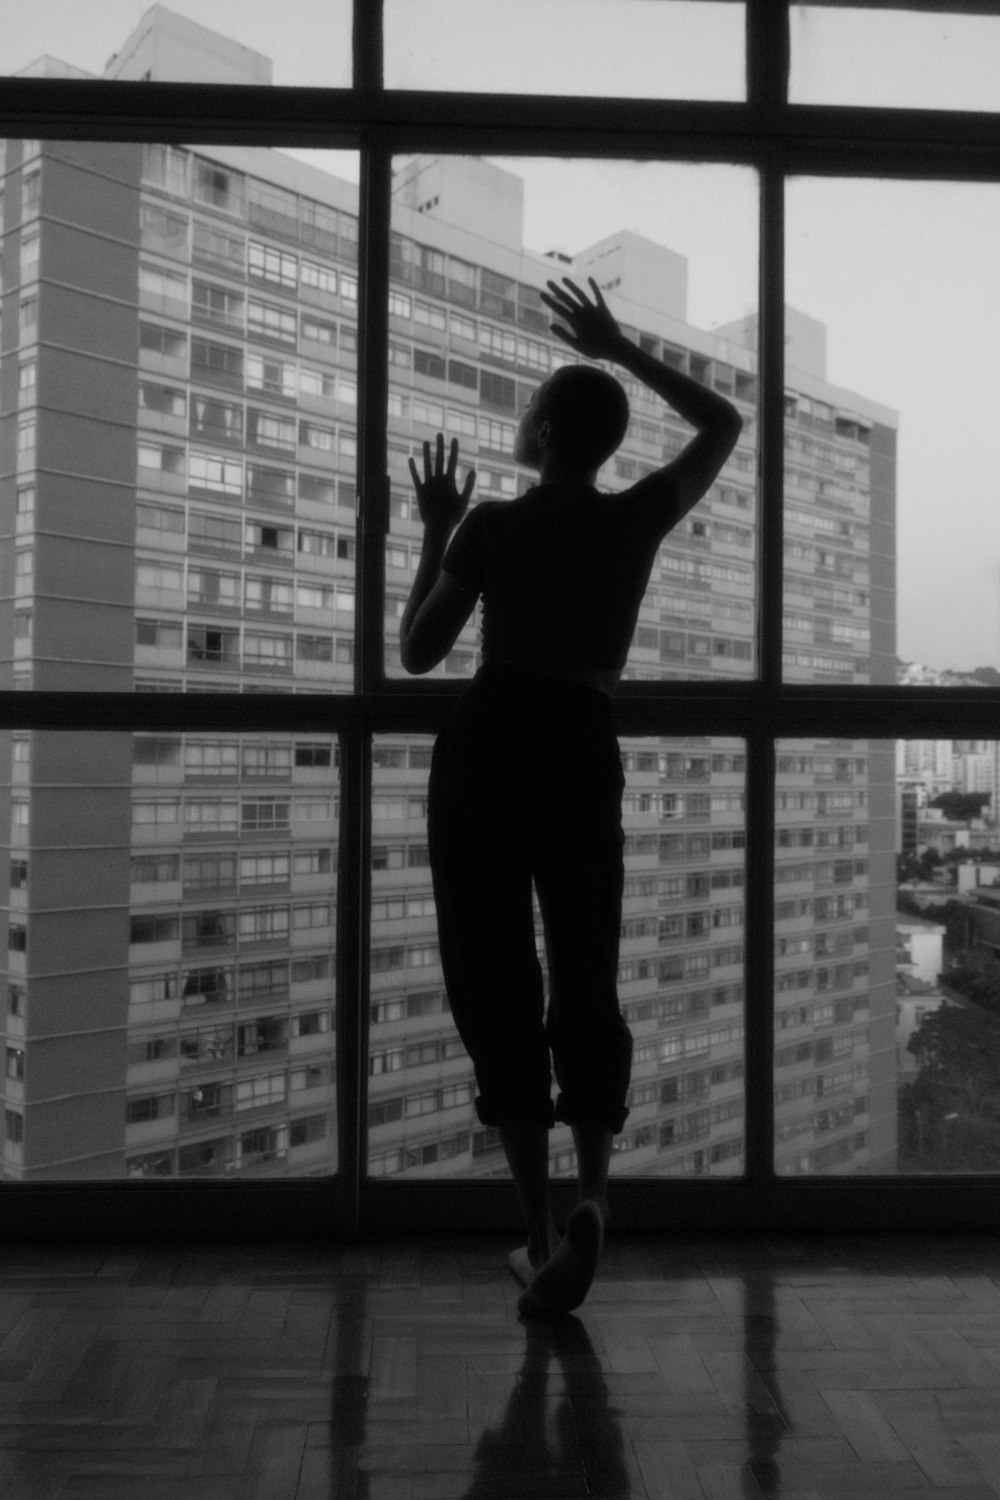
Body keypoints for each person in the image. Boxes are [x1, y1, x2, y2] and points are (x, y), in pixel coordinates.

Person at [400, 277, 741, 1315]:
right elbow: (724, 421)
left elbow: (418, 653)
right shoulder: (635, 519)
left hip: (489, 739)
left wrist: (435, 528)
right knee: (581, 960)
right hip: (579, 739)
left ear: (541, 432)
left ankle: (540, 1232)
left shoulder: (491, 527)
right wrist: (618, 347)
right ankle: (594, 1192)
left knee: (492, 971)